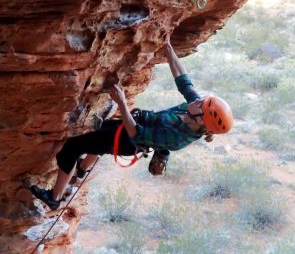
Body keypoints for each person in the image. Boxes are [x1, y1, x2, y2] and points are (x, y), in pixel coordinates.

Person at [31, 35, 234, 210]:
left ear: (202, 121)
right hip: (128, 126)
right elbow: (184, 81)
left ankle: (55, 198)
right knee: (97, 128)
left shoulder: (178, 138)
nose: (198, 100)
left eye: (202, 105)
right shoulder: (194, 109)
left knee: (73, 145)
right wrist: (168, 48)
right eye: (201, 100)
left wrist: (122, 103)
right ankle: (82, 169)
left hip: (128, 141)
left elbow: (137, 133)